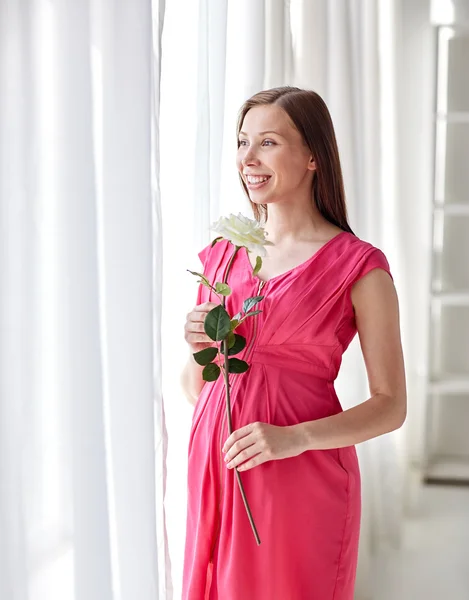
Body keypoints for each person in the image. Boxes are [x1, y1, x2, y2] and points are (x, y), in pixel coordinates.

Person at [180, 86, 407, 600]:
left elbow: (391, 406)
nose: (248, 159)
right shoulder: (222, 255)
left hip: (300, 475)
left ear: (312, 156)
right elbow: (198, 387)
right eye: (242, 142)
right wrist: (199, 345)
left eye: (267, 143)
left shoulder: (359, 266)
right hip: (219, 465)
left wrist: (294, 439)